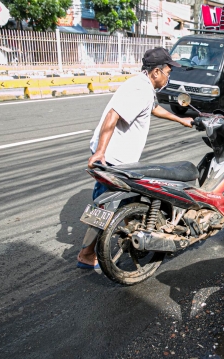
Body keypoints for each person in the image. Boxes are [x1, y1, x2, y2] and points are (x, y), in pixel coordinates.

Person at [77, 47, 194, 270]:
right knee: (105, 207)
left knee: (125, 202)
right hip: (111, 158)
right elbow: (113, 115)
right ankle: (86, 254)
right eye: (168, 72)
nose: (169, 77)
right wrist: (101, 152)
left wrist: (181, 120)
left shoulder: (144, 86)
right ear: (157, 72)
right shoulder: (139, 89)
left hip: (119, 158)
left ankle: (134, 241)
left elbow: (154, 108)